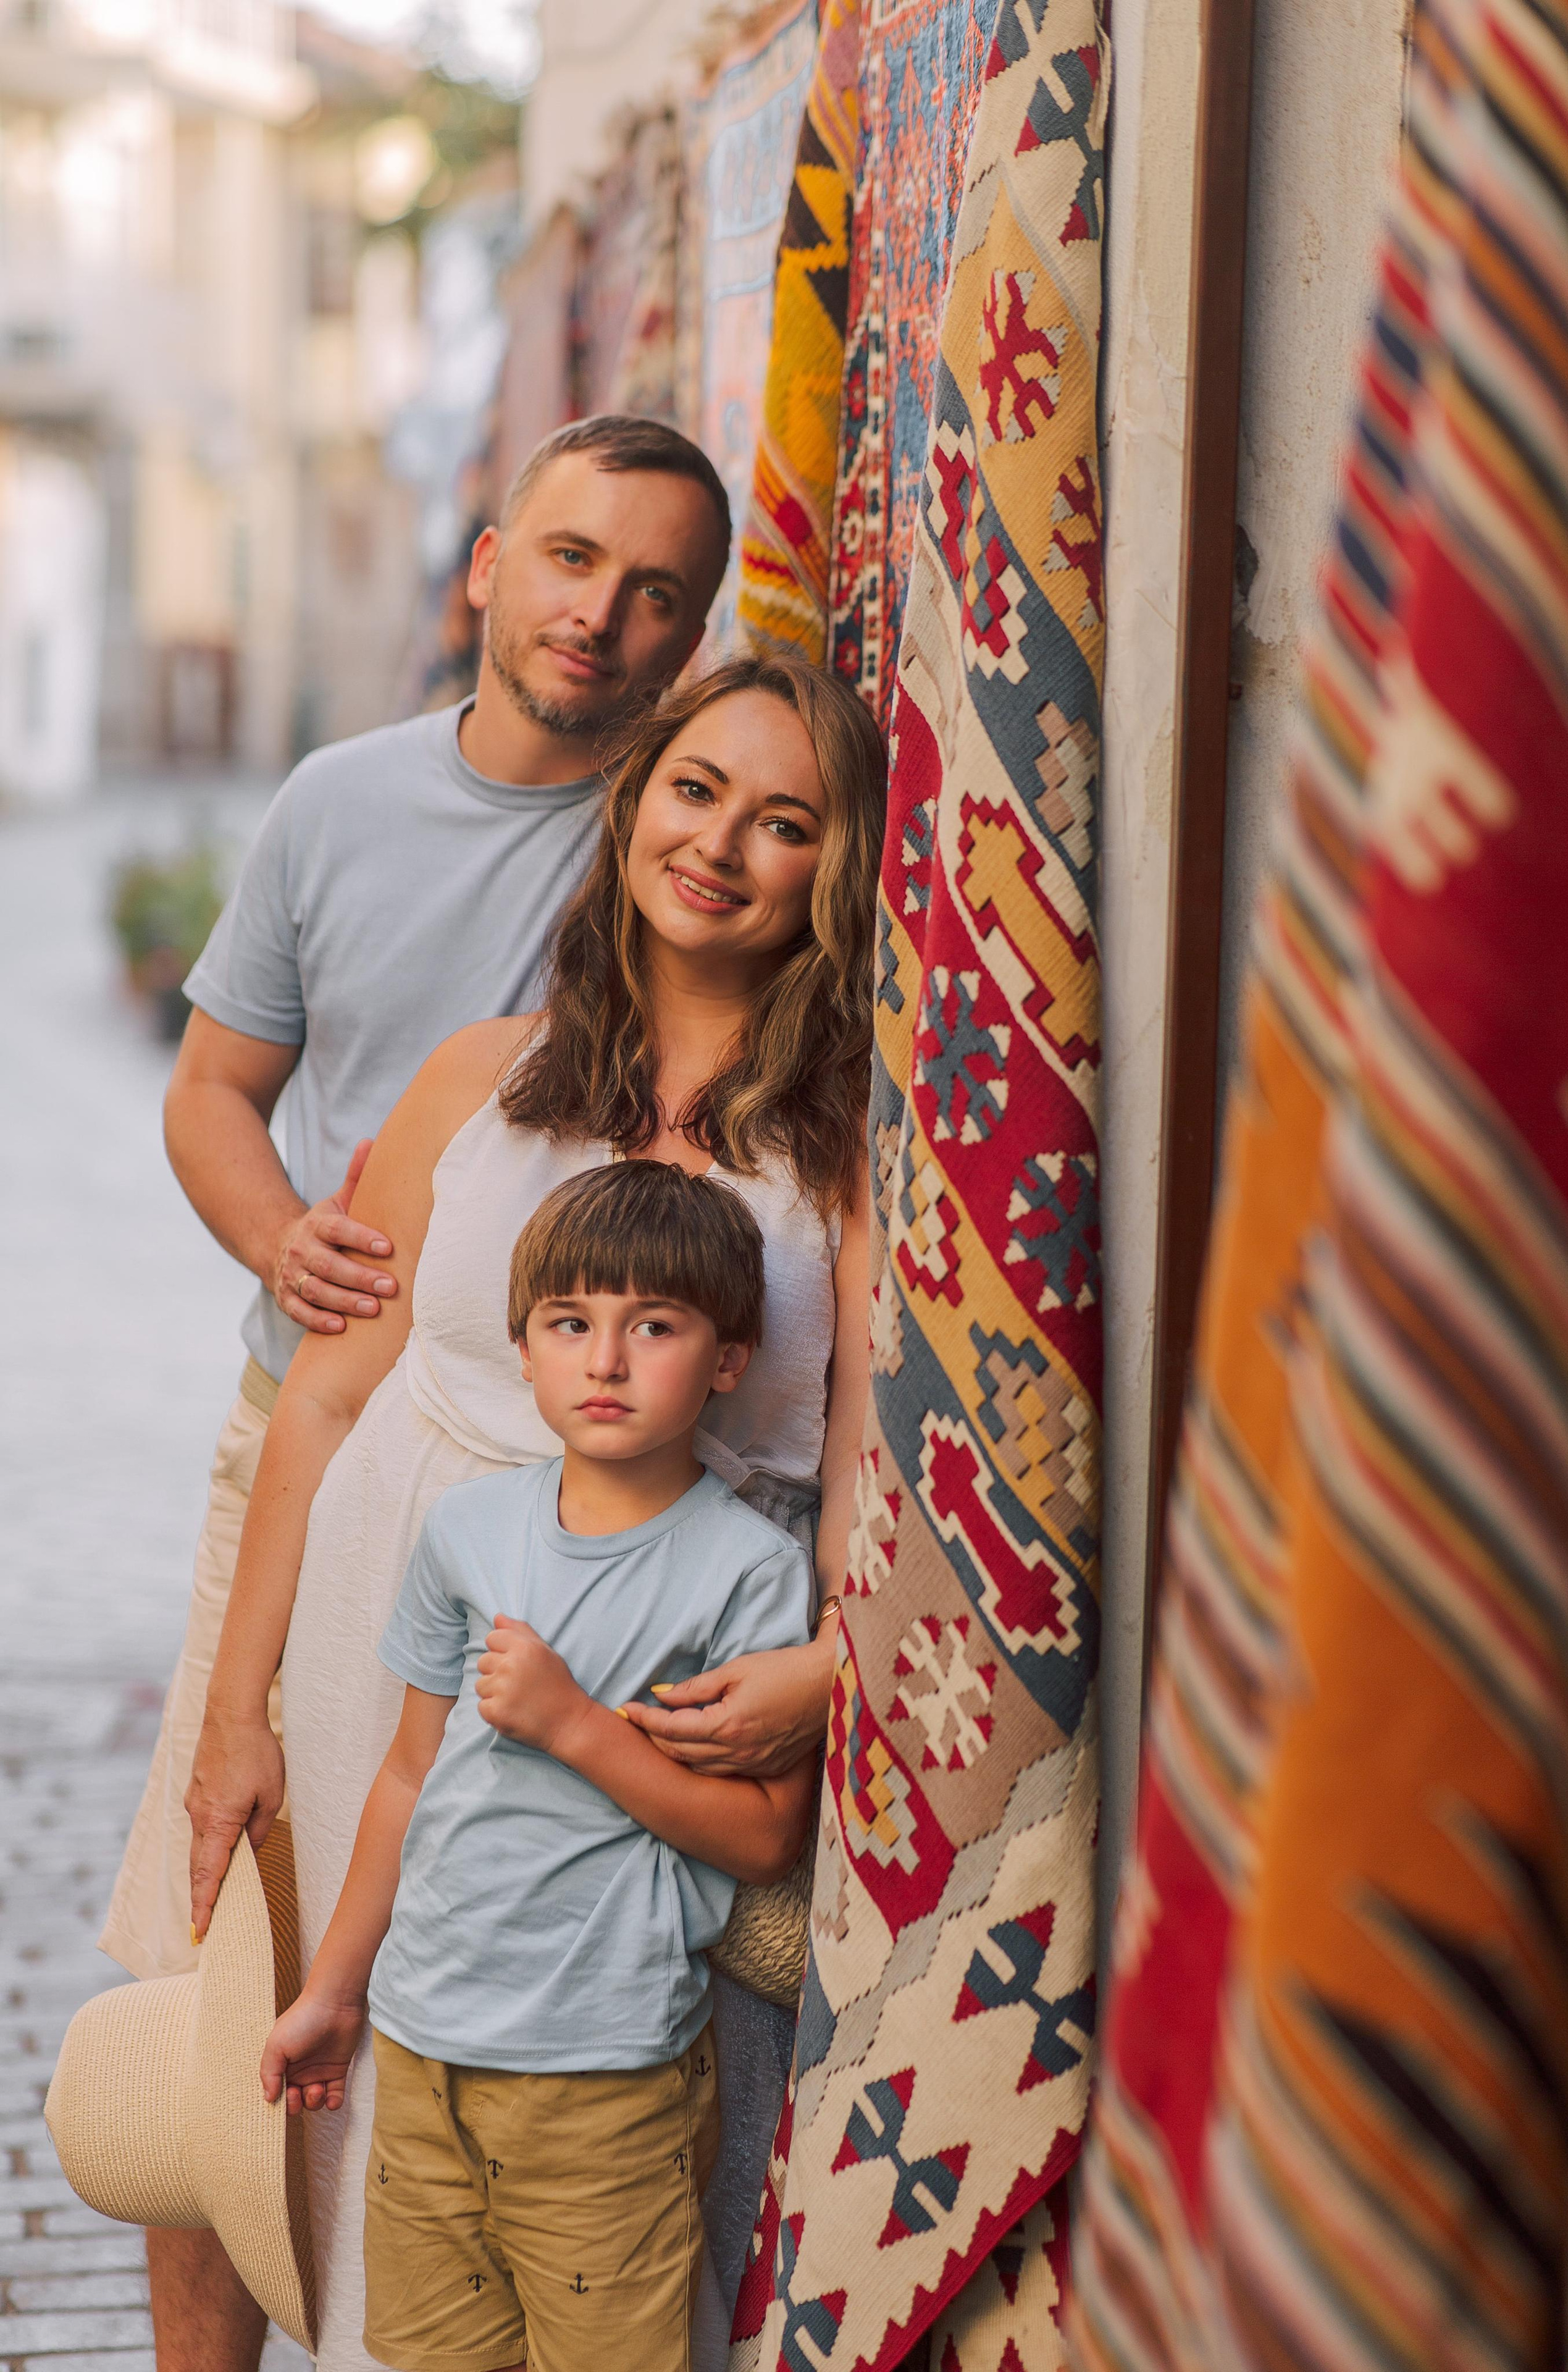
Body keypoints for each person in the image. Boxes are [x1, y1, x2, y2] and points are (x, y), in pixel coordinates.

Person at [100, 413, 734, 2372]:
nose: (599, 615)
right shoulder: (336, 805)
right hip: (311, 1419)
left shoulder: (683, 833)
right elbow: (216, 1088)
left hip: (553, 1483)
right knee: (228, 1953)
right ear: (487, 563)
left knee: (479, 1980)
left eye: (655, 593)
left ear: (694, 632)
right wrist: (280, 1233)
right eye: (571, 559)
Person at [185, 653, 886, 2369]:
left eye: (783, 820)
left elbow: (873, 1484)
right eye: (694, 790)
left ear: (836, 871)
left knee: (627, 2171)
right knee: (378, 2129)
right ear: (635, 805)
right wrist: (232, 1712)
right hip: (386, 1650)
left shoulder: (850, 1149)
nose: (718, 842)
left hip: (662, 1680)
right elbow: (322, 1402)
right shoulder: (482, 1076)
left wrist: (832, 1669)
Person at [261, 1162, 821, 2372]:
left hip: (607, 2078)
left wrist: (575, 1727)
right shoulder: (466, 1534)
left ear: (728, 1358)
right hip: (425, 2054)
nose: (605, 1361)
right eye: (571, 1324)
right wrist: (334, 1993)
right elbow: (409, 1777)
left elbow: (767, 1837)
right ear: (522, 1350)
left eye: (654, 1327)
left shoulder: (748, 1572)